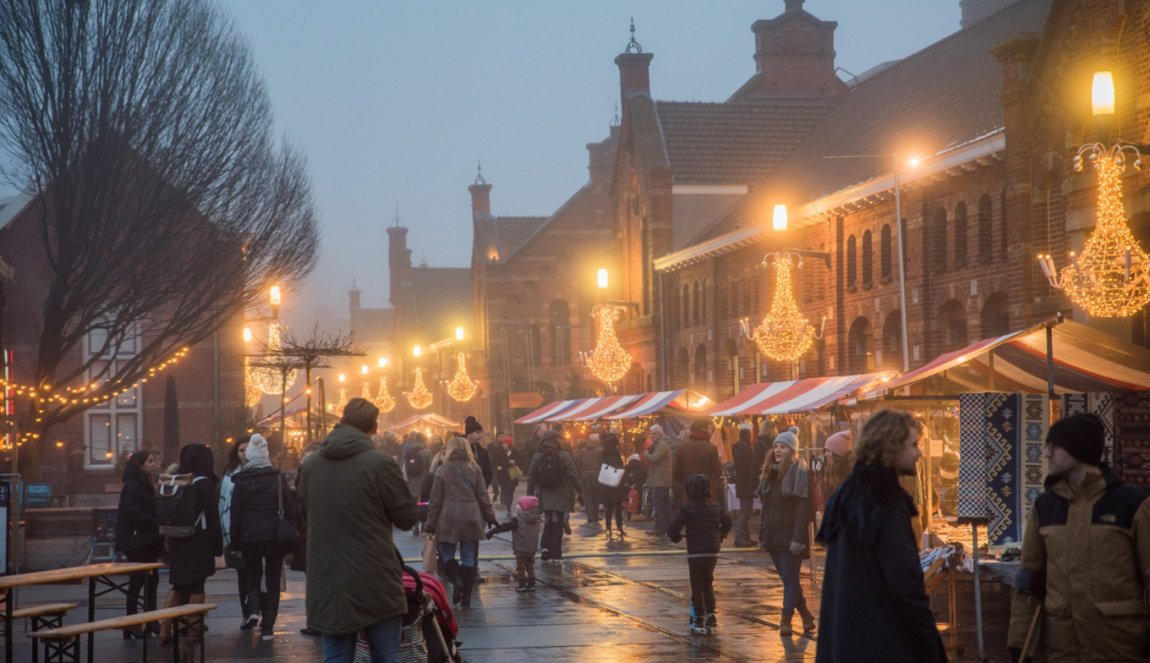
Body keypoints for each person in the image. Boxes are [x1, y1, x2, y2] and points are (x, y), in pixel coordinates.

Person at [1006, 413, 1150, 661]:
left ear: (1076, 448)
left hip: (1118, 647)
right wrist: (1020, 643)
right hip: (1064, 648)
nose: (1046, 454)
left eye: (1053, 446)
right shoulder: (1045, 506)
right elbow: (1029, 581)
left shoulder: (1132, 503)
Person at [815, 410, 946, 663]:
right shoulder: (885, 499)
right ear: (891, 447)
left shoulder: (849, 491)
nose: (919, 453)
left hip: (847, 641)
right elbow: (906, 584)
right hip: (883, 642)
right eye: (913, 445)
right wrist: (930, 645)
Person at [298, 398, 419, 663]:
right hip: (374, 576)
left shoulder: (310, 466)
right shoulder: (380, 463)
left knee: (337, 657)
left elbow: (303, 512)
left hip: (327, 576)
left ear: (342, 421)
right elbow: (407, 518)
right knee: (385, 656)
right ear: (373, 428)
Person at [229, 434, 296, 640]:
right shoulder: (277, 479)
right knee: (273, 579)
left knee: (253, 575)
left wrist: (235, 542)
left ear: (248, 457)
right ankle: (268, 627)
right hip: (274, 536)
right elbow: (290, 509)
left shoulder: (240, 482)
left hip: (249, 536)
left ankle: (253, 611)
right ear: (266, 456)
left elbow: (236, 515)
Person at [159, 443, 222, 645]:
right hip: (198, 539)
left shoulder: (175, 481)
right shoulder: (204, 483)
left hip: (176, 539)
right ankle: (194, 629)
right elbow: (212, 517)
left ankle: (165, 626)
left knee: (178, 584)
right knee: (197, 585)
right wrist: (217, 545)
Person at [426, 436, 498, 608]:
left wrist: (430, 524)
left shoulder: (442, 470)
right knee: (468, 557)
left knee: (446, 554)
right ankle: (466, 597)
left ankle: (457, 580)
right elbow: (483, 496)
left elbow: (435, 500)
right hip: (471, 517)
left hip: (448, 517)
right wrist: (490, 517)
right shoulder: (475, 469)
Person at [758, 428, 815, 636]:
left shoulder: (800, 473)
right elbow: (766, 509)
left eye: (783, 447)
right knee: (788, 579)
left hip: (791, 537)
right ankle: (807, 616)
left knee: (790, 580)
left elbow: (803, 510)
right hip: (773, 536)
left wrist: (797, 539)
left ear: (792, 450)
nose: (778, 450)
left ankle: (786, 621)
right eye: (776, 446)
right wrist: (763, 534)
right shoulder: (770, 473)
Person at [668, 474, 731, 636]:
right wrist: (721, 533)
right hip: (712, 549)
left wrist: (675, 537)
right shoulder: (715, 506)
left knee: (697, 584)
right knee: (707, 581)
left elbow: (674, 527)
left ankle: (698, 618)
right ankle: (711, 615)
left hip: (696, 551)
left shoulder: (687, 508)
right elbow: (728, 521)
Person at [114, 450, 162, 639]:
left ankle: (151, 620)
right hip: (137, 542)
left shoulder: (145, 484)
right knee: (138, 581)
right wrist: (156, 523)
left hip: (147, 541)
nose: (153, 464)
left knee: (152, 580)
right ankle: (132, 622)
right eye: (150, 461)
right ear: (140, 465)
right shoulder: (133, 486)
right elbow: (133, 513)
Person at [526, 429, 580, 563]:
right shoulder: (563, 455)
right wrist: (580, 490)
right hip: (560, 494)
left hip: (545, 494)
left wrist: (529, 494)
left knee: (548, 520)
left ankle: (545, 547)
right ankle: (556, 554)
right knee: (557, 523)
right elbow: (573, 473)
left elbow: (531, 476)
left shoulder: (538, 456)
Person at [218, 435, 253, 629]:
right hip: (236, 533)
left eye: (247, 450)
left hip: (256, 532)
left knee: (256, 574)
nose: (244, 454)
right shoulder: (229, 475)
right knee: (242, 574)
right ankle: (245, 611)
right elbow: (223, 504)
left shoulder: (261, 471)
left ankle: (255, 610)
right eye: (240, 450)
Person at [290, 443, 322, 637]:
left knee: (314, 580)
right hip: (323, 534)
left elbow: (300, 505)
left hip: (310, 535)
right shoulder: (328, 473)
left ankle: (315, 621)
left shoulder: (306, 472)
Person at [486, 494, 544, 592]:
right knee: (530, 566)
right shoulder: (536, 519)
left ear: (523, 508)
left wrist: (493, 531)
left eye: (519, 505)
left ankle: (522, 585)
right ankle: (531, 584)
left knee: (520, 567)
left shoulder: (517, 520)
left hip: (520, 548)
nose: (517, 507)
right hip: (531, 548)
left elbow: (505, 527)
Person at [673, 418, 723, 504]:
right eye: (710, 428)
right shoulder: (710, 448)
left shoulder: (681, 448)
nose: (712, 431)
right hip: (707, 493)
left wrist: (686, 482)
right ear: (704, 429)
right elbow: (717, 471)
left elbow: (675, 471)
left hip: (688, 492)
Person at [643, 424, 673, 537]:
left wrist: (645, 453)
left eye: (654, 433)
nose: (651, 436)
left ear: (660, 433)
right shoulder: (659, 444)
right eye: (651, 433)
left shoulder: (662, 445)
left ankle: (660, 527)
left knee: (659, 504)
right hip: (661, 479)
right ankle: (665, 527)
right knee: (663, 505)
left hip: (660, 479)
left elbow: (654, 459)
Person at [730, 424, 756, 548]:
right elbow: (748, 467)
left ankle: (745, 536)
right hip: (746, 483)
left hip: (740, 482)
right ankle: (740, 536)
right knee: (746, 511)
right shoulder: (745, 449)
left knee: (744, 510)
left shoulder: (737, 448)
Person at [401, 431, 432, 533]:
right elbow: (430, 467)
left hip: (412, 479)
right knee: (423, 501)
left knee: (414, 502)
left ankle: (415, 525)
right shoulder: (427, 451)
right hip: (423, 479)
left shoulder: (409, 451)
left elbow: (405, 465)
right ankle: (423, 524)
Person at [600, 433, 629, 540]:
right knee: (618, 507)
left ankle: (608, 528)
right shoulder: (616, 455)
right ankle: (619, 528)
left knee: (609, 508)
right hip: (616, 484)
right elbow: (620, 470)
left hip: (607, 484)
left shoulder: (604, 454)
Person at [489, 434, 521, 514]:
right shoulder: (500, 453)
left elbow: (521, 462)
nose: (503, 445)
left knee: (511, 491)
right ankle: (508, 508)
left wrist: (515, 462)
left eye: (505, 443)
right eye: (503, 443)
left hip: (513, 473)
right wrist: (499, 466)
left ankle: (509, 503)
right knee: (505, 490)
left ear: (509, 444)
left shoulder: (515, 452)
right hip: (503, 475)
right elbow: (494, 462)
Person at [575, 434, 602, 526]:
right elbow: (602, 462)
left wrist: (582, 472)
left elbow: (578, 463)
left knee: (588, 497)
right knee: (596, 496)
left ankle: (590, 517)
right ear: (597, 441)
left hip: (585, 476)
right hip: (597, 476)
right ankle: (595, 515)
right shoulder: (600, 450)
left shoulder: (582, 451)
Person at [464, 416, 494, 489]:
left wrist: (483, 486)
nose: (480, 435)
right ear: (469, 434)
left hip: (480, 492)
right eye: (477, 433)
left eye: (481, 433)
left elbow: (488, 472)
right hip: (464, 492)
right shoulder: (460, 450)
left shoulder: (483, 452)